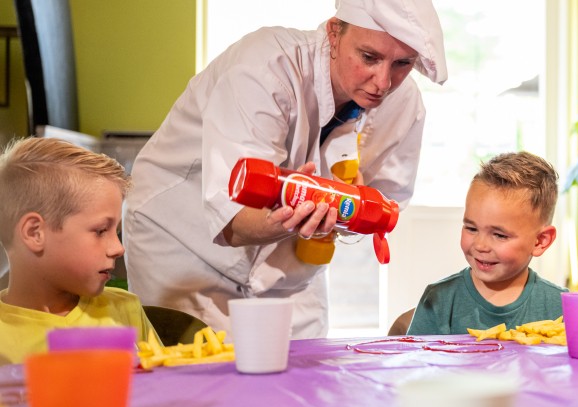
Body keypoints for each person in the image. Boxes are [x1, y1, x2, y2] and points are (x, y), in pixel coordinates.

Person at [123, 0, 448, 339]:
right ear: (333, 33)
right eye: (369, 57)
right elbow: (232, 218)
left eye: (402, 63)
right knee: (194, 367)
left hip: (291, 269)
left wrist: (352, 209)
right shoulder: (265, 67)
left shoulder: (405, 104)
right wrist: (290, 219)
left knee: (305, 369)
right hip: (185, 245)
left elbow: (386, 206)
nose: (383, 82)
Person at [0, 138, 158, 365]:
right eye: (101, 231)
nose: (118, 248)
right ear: (35, 233)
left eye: (116, 231)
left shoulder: (125, 309)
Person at [407, 151, 567, 335]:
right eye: (471, 228)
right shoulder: (439, 300)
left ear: (540, 241)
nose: (480, 246)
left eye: (499, 235)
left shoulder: (563, 308)